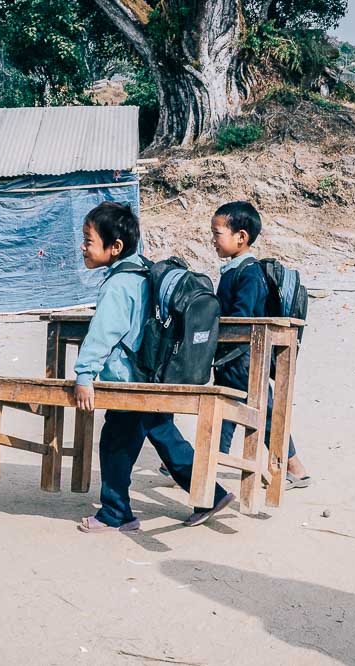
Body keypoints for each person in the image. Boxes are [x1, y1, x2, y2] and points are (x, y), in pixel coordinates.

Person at [73, 202, 235, 533]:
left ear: (114, 247)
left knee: (115, 442)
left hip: (129, 382)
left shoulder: (118, 285)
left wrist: (84, 376)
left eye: (89, 240)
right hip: (153, 375)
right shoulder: (145, 272)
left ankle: (115, 514)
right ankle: (209, 495)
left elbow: (103, 334)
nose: (83, 246)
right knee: (163, 433)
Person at [210, 201, 312, 489]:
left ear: (241, 237)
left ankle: (294, 466)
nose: (213, 240)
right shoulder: (233, 269)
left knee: (262, 412)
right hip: (233, 356)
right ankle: (209, 458)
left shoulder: (249, 273)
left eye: (217, 233)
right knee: (227, 408)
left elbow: (242, 318)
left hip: (243, 356)